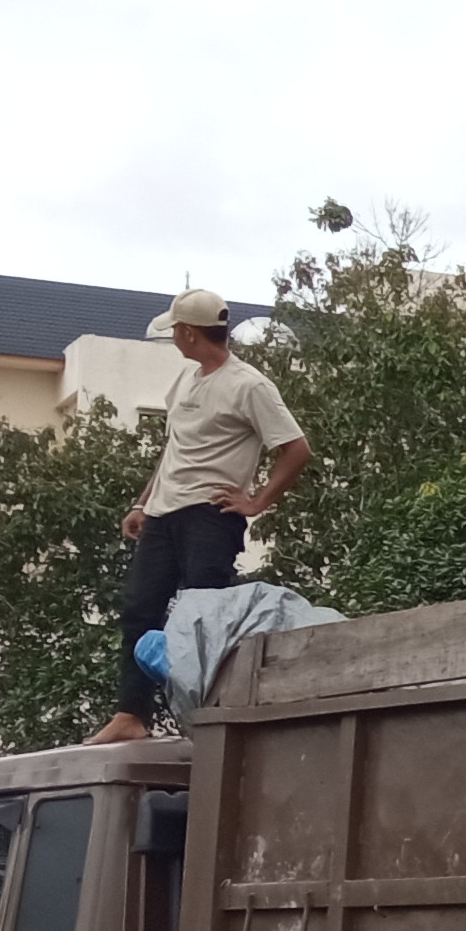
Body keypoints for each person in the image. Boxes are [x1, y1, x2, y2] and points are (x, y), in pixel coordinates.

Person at [88, 288, 308, 745]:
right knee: (140, 609)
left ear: (189, 333)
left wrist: (257, 501)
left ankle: (212, 714)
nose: (175, 339)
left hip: (210, 515)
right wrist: (143, 503)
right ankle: (131, 714)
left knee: (205, 617)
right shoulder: (186, 381)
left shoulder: (249, 384)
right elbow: (176, 449)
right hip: (164, 514)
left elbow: (295, 449)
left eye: (176, 331)